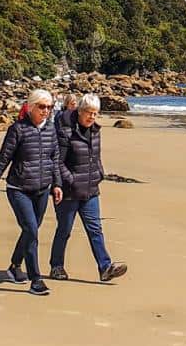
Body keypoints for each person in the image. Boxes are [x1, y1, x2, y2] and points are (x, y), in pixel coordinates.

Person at [0, 88, 62, 296]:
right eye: (42, 107)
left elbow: (54, 159)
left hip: (42, 189)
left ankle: (14, 266)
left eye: (49, 107)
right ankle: (36, 280)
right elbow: (3, 158)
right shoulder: (17, 129)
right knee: (31, 230)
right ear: (31, 107)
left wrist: (57, 184)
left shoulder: (51, 129)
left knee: (31, 230)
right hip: (18, 189)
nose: (46, 111)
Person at [49, 94, 129, 283]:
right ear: (79, 111)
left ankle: (105, 267)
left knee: (95, 229)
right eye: (89, 113)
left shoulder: (95, 131)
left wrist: (100, 173)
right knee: (64, 230)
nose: (92, 117)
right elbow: (57, 161)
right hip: (68, 191)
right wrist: (69, 180)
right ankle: (56, 266)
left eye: (95, 113)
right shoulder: (65, 131)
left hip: (91, 189)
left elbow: (96, 157)